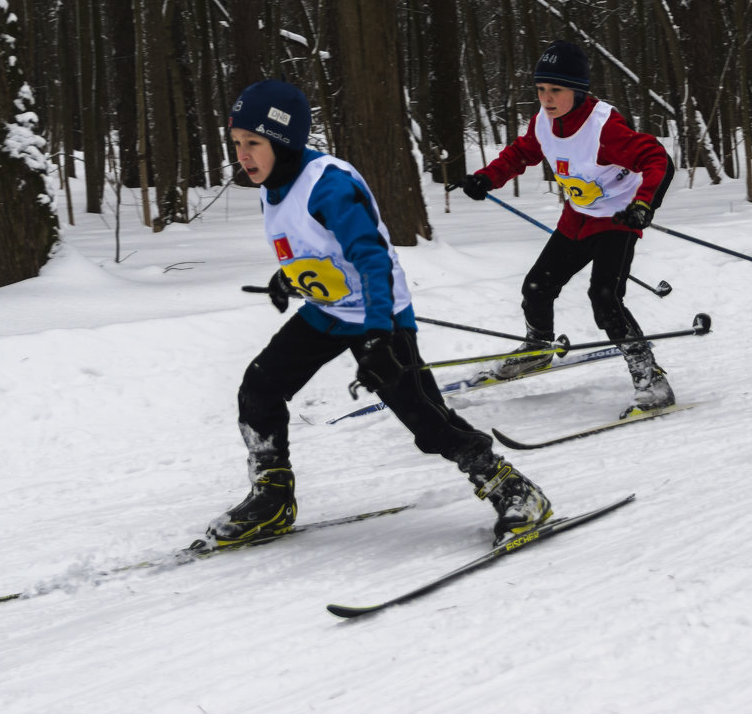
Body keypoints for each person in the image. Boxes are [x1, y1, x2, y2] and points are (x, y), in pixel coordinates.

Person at [205, 79, 552, 549]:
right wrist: (289, 277)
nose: (243, 155)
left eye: (254, 143)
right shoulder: (275, 184)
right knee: (259, 388)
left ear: (282, 143)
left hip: (379, 313)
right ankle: (272, 498)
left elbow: (370, 258)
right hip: (328, 313)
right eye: (238, 144)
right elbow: (316, 246)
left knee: (425, 418)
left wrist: (377, 337)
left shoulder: (327, 184)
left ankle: (514, 490)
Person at [461, 39, 676, 419]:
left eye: (555, 90)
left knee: (605, 299)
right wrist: (486, 179)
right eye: (541, 89)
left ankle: (650, 378)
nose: (546, 98)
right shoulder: (543, 122)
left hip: (616, 220)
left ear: (578, 90)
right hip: (576, 218)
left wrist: (643, 205)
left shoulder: (603, 127)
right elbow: (522, 152)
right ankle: (538, 348)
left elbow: (657, 159)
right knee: (536, 287)